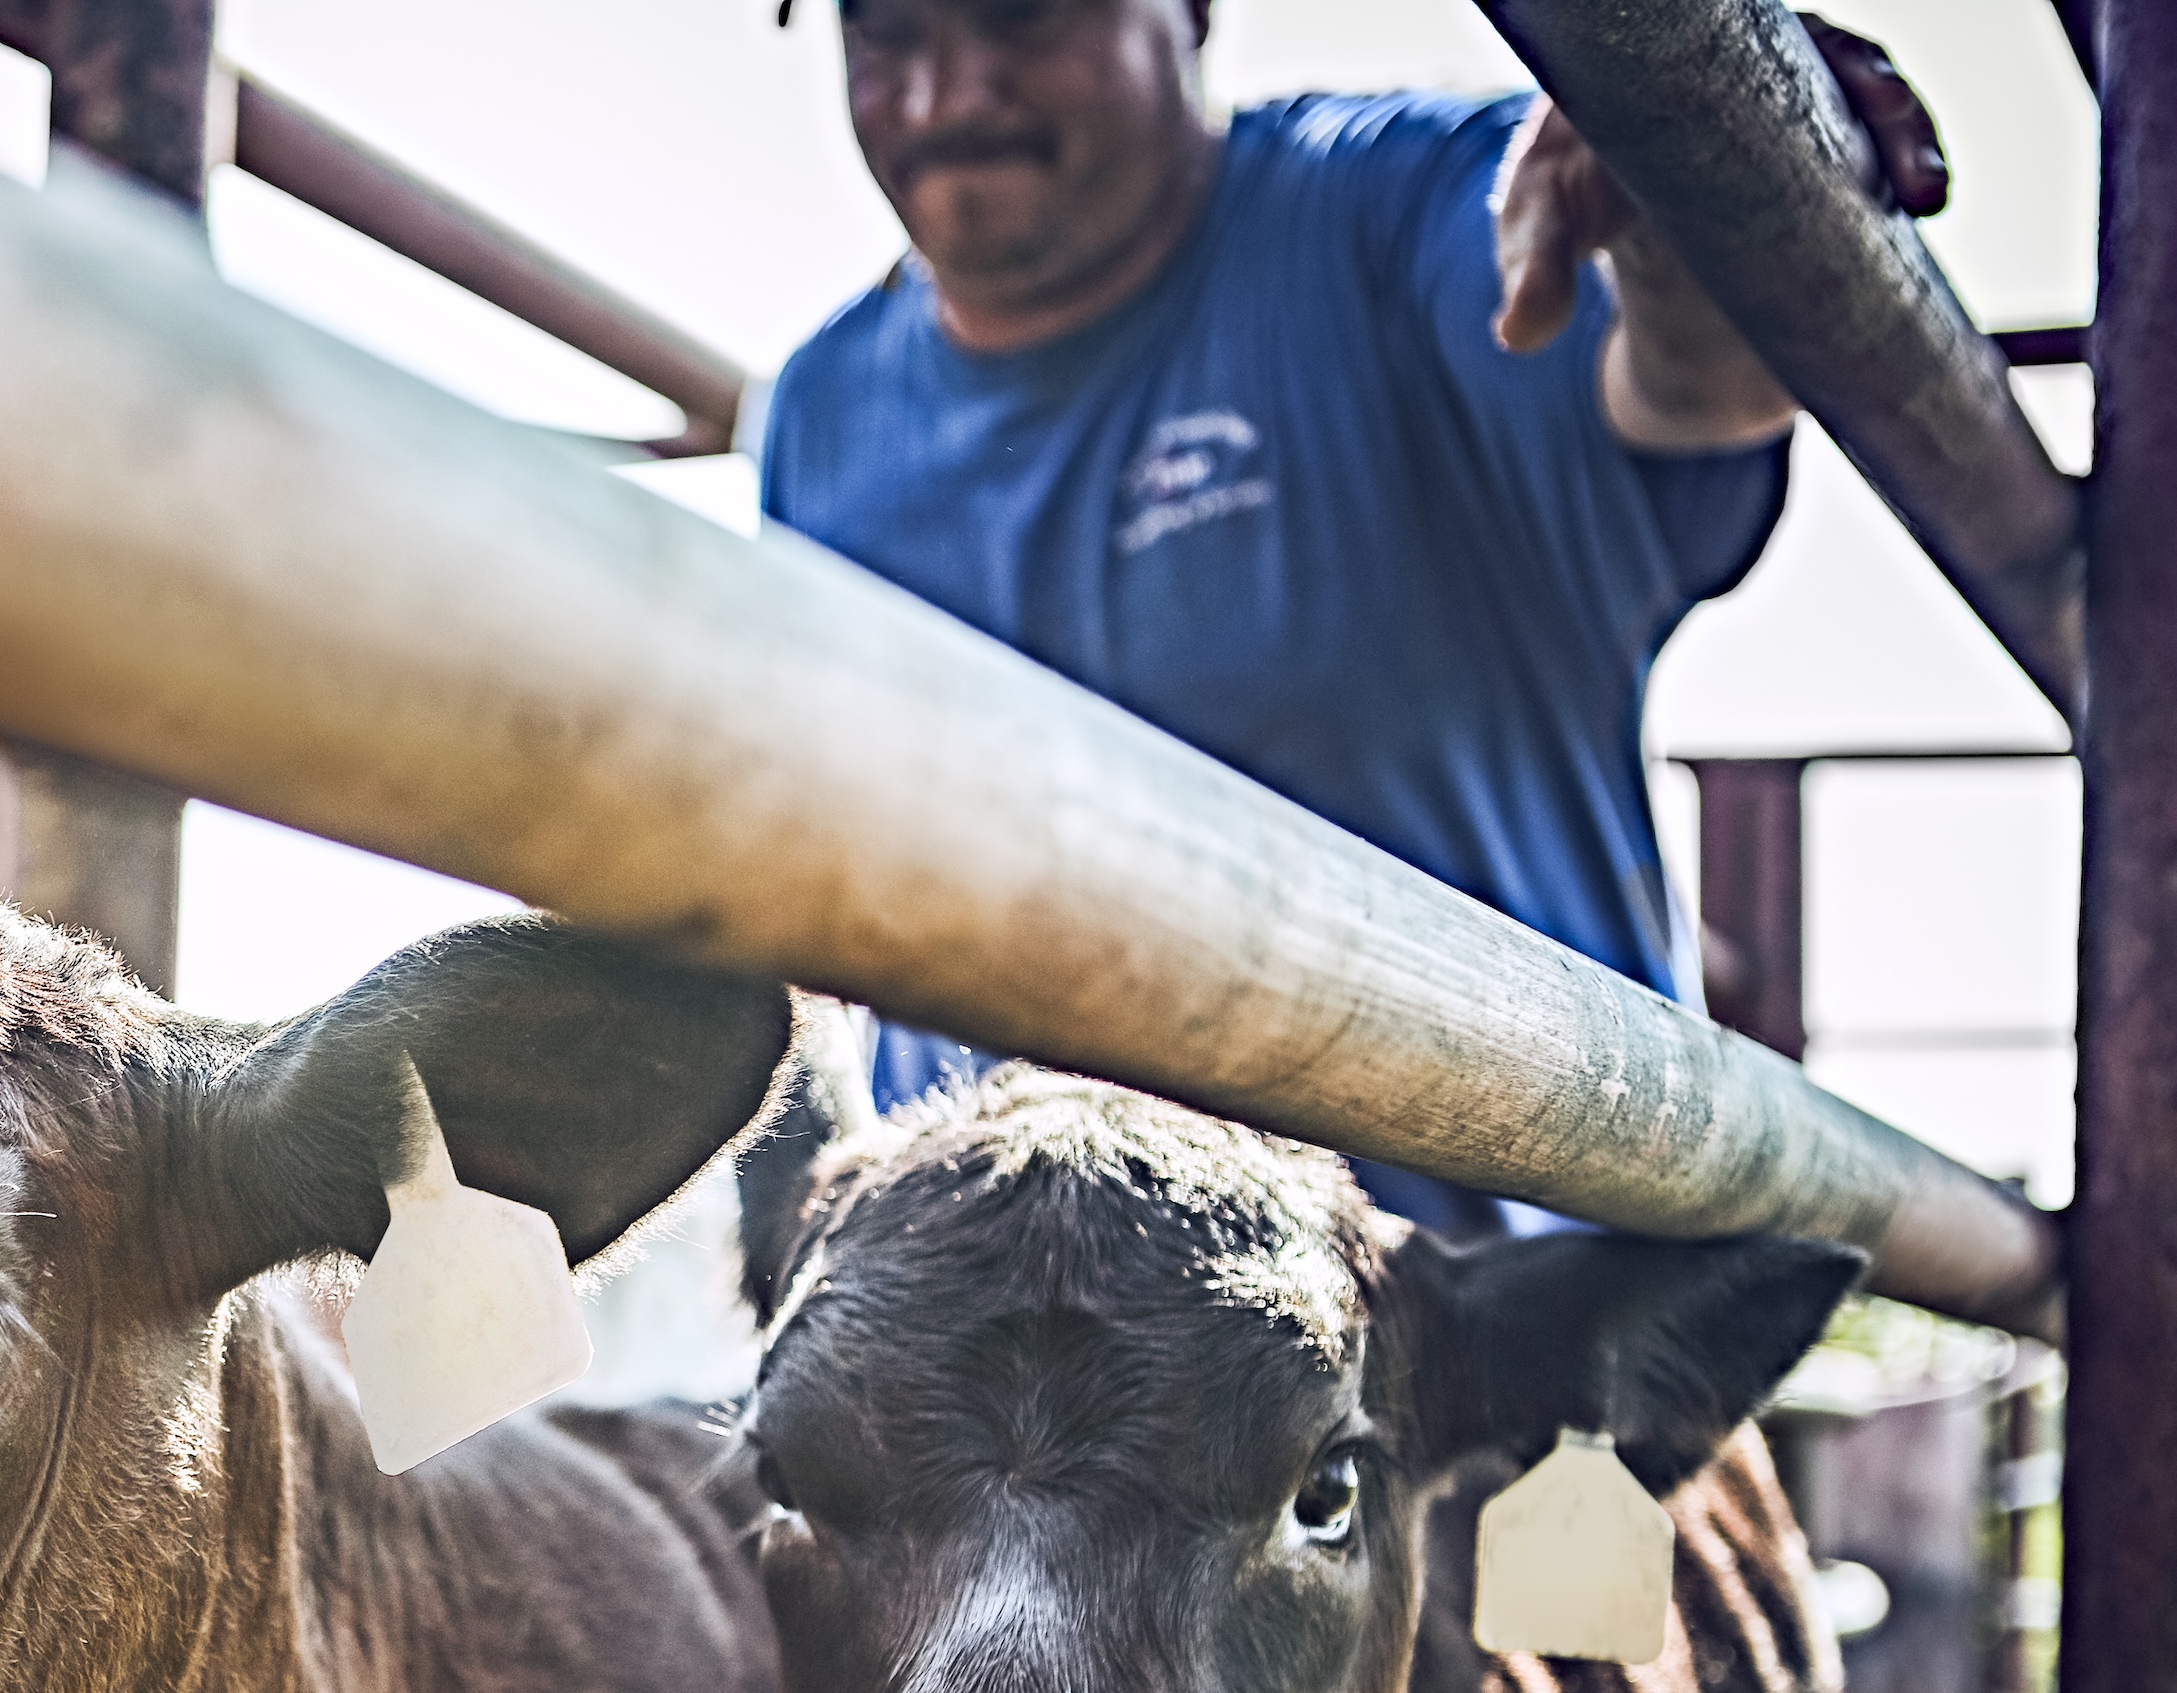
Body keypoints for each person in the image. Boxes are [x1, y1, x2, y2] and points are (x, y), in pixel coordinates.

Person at [757, 0, 1947, 1234]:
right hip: (998, 1318)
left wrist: (1693, 184)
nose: (946, 99)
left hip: (1481, 1331)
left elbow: (1689, 379)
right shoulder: (821, 414)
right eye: (886, 33)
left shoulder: (1397, 209)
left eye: (1025, 17)